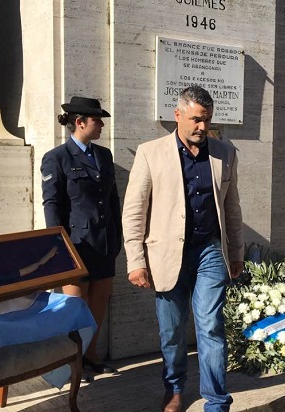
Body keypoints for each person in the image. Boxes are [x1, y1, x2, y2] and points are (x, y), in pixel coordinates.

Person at [122, 85, 244, 412]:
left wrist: (236, 253)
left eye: (207, 120)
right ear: (177, 115)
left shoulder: (225, 153)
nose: (202, 127)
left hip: (210, 252)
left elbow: (231, 207)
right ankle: (175, 388)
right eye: (196, 119)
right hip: (165, 255)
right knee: (172, 331)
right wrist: (136, 260)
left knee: (211, 326)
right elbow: (134, 211)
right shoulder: (150, 153)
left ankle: (216, 401)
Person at [41, 96, 122, 377]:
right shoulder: (56, 158)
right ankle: (72, 361)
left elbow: (112, 199)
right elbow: (52, 204)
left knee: (99, 299)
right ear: (80, 122)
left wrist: (117, 235)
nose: (101, 126)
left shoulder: (104, 155)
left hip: (104, 243)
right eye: (97, 120)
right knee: (76, 305)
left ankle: (90, 352)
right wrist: (58, 245)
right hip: (75, 244)